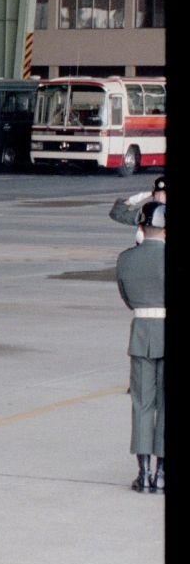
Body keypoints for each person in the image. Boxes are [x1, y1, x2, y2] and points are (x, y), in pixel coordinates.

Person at [115, 202, 165, 493]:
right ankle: (162, 474)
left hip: (143, 333)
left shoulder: (126, 259)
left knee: (142, 405)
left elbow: (127, 298)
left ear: (141, 228)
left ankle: (143, 473)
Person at [110, 175, 165, 244]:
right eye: (157, 194)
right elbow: (117, 214)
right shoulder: (148, 211)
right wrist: (133, 200)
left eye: (165, 194)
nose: (160, 198)